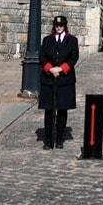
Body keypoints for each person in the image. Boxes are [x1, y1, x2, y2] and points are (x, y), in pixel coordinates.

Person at [38, 15, 79, 148]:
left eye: (61, 25)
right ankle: (48, 140)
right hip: (49, 79)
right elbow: (42, 57)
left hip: (65, 79)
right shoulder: (47, 40)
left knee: (62, 109)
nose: (59, 28)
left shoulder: (72, 40)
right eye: (56, 25)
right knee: (49, 110)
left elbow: (73, 58)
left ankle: (59, 139)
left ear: (65, 26)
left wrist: (60, 69)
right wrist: (51, 69)